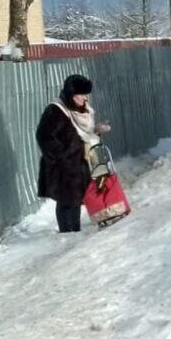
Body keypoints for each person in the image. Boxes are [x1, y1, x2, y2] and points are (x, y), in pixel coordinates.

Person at [36, 74, 111, 233]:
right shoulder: (56, 110)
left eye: (86, 94)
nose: (85, 98)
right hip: (62, 166)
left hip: (79, 163)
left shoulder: (84, 111)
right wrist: (62, 155)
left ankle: (75, 232)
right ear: (72, 94)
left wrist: (96, 131)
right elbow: (44, 136)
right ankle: (66, 234)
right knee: (65, 201)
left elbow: (84, 136)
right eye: (81, 95)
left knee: (76, 200)